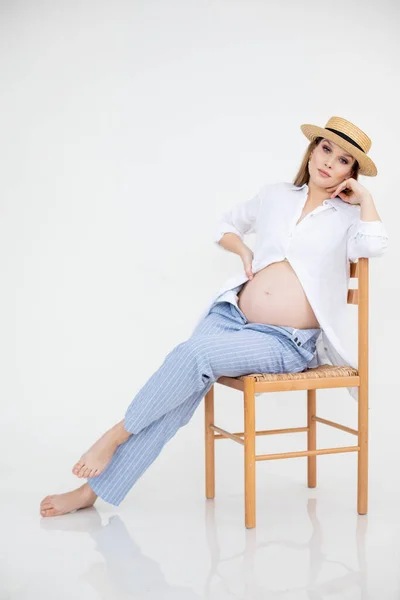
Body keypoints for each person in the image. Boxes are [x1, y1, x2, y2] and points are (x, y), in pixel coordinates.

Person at [40, 116, 389, 517]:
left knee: (191, 357)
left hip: (284, 342)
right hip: (231, 316)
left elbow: (374, 246)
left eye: (344, 160)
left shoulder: (350, 218)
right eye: (326, 149)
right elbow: (225, 225)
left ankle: (114, 436)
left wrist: (365, 199)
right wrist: (243, 251)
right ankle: (92, 492)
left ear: (351, 172)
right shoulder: (276, 196)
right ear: (312, 150)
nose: (329, 162)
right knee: (183, 388)